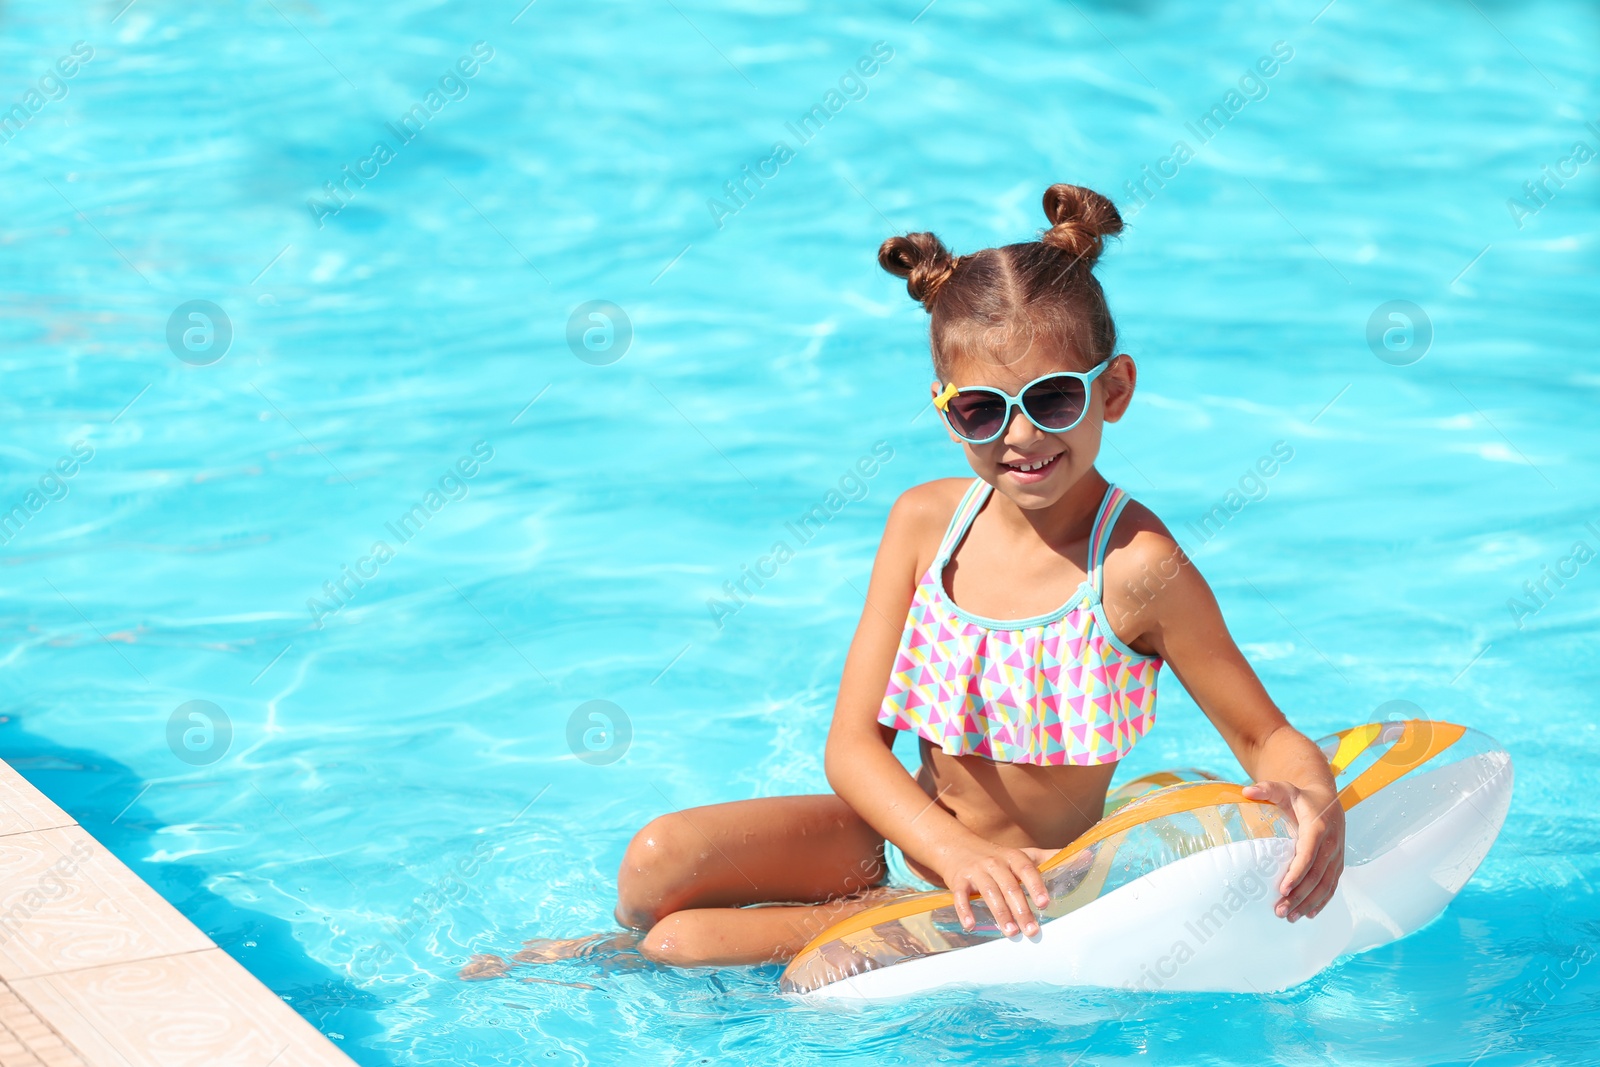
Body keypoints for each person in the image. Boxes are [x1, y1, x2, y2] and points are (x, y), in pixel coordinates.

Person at [461, 181, 1345, 979]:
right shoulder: (926, 525)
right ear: (944, 408)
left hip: (1018, 888)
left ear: (1114, 389)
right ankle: (641, 941)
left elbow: (1266, 738)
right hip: (901, 839)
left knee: (679, 943)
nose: (1021, 437)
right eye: (980, 410)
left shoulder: (1135, 568)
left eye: (1055, 399)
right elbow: (852, 746)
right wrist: (941, 846)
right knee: (655, 860)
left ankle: (642, 959)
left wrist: (1315, 800)